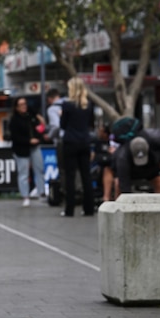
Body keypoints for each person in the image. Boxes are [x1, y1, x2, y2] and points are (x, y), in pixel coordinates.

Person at [59, 77, 95, 216]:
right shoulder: (89, 105)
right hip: (85, 141)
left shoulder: (67, 105)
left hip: (70, 142)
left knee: (70, 176)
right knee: (86, 176)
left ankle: (70, 209)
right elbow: (90, 124)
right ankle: (89, 208)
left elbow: (63, 125)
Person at [111, 120, 160, 198]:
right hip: (131, 170)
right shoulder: (122, 157)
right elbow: (124, 188)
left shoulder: (157, 140)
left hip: (150, 167)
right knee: (118, 184)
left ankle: (157, 206)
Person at [8, 97, 46, 207]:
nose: (24, 106)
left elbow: (41, 126)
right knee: (23, 173)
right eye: (21, 104)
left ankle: (41, 193)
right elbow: (15, 137)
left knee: (39, 169)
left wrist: (38, 137)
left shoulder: (31, 116)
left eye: (25, 104)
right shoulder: (14, 120)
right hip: (21, 149)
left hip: (35, 147)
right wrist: (29, 140)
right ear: (16, 107)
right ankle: (25, 196)